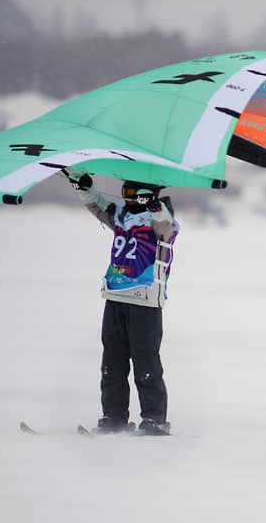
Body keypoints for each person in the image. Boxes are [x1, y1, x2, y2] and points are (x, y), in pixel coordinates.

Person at [68, 171, 179, 436]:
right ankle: (113, 416)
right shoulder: (122, 216)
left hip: (145, 299)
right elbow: (98, 205)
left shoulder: (162, 221)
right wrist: (84, 186)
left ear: (145, 196)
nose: (126, 199)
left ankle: (154, 418)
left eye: (131, 194)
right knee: (112, 363)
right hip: (116, 295)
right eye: (124, 193)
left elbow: (168, 228)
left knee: (146, 362)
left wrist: (157, 207)